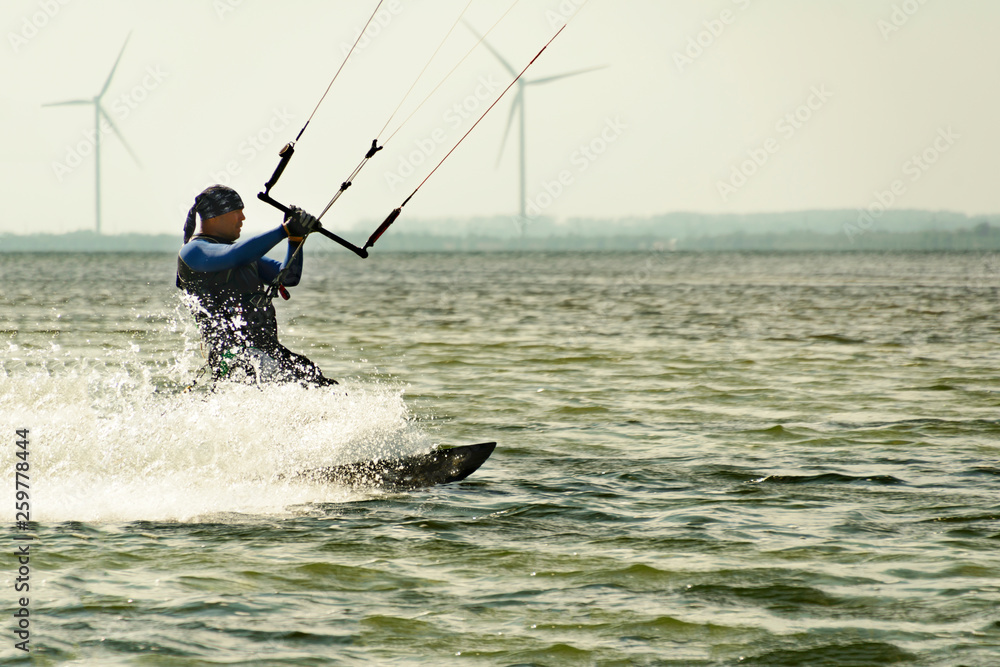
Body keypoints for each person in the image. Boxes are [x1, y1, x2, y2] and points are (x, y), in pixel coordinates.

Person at [177, 184, 337, 387]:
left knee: (320, 382)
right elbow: (234, 256)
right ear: (215, 216)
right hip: (233, 356)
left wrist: (296, 238)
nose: (242, 218)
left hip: (267, 351)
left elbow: (288, 277)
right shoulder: (193, 251)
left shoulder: (241, 255)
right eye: (237, 212)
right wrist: (284, 229)